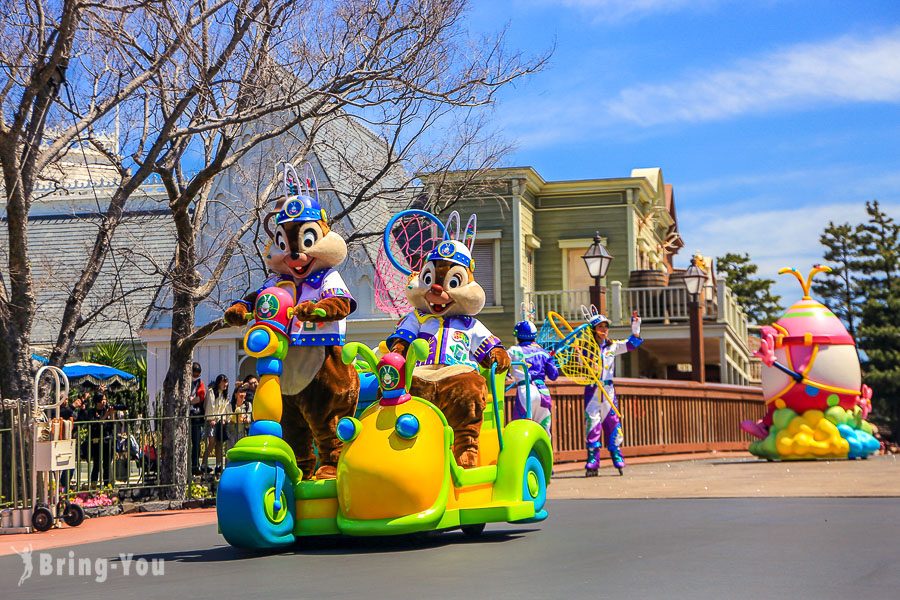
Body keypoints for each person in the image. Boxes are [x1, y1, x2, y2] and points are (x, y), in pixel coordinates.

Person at [583, 308, 642, 477]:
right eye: (600, 327)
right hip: (592, 390)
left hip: (608, 390)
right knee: (593, 423)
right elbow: (578, 366)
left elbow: (631, 344)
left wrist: (635, 328)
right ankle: (593, 459)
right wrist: (587, 364)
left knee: (612, 422)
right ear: (593, 330)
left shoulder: (612, 347)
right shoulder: (585, 350)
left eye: (605, 327)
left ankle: (616, 454)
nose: (604, 330)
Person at [508, 311, 559, 434]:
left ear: (517, 336)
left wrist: (508, 375)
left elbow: (501, 365)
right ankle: (545, 452)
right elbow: (554, 375)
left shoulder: (514, 351)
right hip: (543, 392)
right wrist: (550, 358)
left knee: (522, 428)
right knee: (544, 430)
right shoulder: (543, 352)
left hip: (526, 390)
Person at [203, 374, 230, 475]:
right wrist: (211, 418)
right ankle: (204, 463)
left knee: (219, 443)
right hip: (212, 421)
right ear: (219, 382)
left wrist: (225, 419)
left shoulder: (224, 395)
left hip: (220, 421)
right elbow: (210, 405)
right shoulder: (211, 392)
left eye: (226, 382)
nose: (225, 384)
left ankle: (219, 464)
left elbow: (226, 407)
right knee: (212, 442)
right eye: (223, 382)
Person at [189, 362, 206, 475]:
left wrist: (190, 400)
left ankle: (195, 465)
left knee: (196, 441)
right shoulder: (185, 381)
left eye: (197, 373)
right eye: (194, 372)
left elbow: (200, 397)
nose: (195, 375)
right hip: (185, 415)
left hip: (196, 415)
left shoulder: (200, 383)